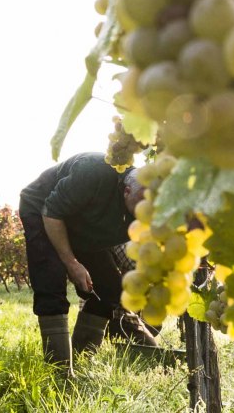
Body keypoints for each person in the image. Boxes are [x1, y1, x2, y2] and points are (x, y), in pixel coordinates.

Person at [18, 152, 157, 371]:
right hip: (43, 211)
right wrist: (72, 263)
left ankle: (81, 359)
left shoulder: (141, 206)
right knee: (51, 282)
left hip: (81, 225)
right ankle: (60, 372)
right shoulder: (94, 171)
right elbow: (52, 213)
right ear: (127, 191)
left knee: (109, 287)